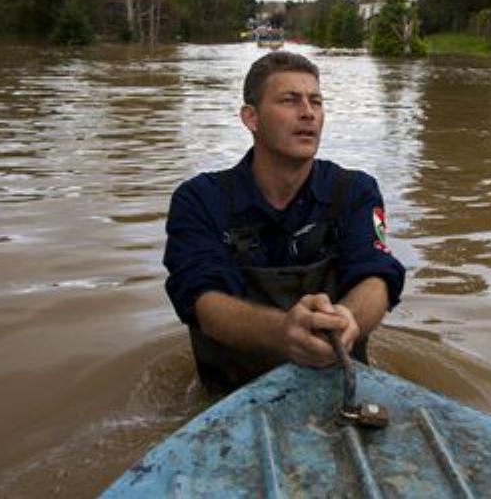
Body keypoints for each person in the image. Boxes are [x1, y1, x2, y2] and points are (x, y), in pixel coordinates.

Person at [162, 51, 406, 392]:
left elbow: (377, 273)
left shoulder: (356, 191)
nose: (308, 113)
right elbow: (200, 297)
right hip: (229, 395)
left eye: (316, 102)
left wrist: (347, 319)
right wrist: (284, 333)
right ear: (251, 118)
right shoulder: (199, 199)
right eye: (290, 101)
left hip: (340, 384)